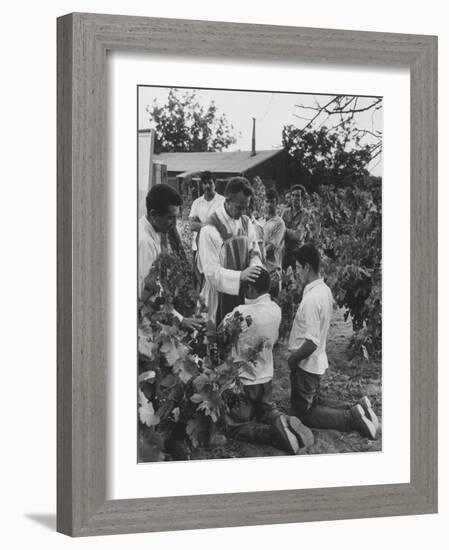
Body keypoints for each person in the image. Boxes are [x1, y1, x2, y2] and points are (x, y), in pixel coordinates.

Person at [287, 244, 379, 439]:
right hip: (316, 361)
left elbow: (311, 342)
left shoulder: (311, 298)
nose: (295, 273)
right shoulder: (324, 290)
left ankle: (351, 419)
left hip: (306, 363)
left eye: (297, 268)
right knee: (316, 400)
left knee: (306, 412)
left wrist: (293, 359)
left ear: (307, 267)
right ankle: (357, 408)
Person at [221, 268, 314, 454]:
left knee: (234, 426)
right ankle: (281, 420)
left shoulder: (240, 313)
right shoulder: (275, 310)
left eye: (245, 288)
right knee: (264, 410)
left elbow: (220, 335)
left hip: (244, 384)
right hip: (266, 382)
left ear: (252, 290)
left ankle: (274, 434)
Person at [198, 176, 263, 324]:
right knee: (218, 338)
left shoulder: (246, 223)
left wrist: (255, 269)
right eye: (240, 207)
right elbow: (211, 273)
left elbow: (254, 252)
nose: (243, 212)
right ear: (227, 200)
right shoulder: (210, 228)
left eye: (246, 207)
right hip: (218, 296)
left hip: (241, 293)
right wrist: (240, 276)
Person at [138, 183, 202, 330]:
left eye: (176, 218)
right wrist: (180, 319)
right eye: (170, 218)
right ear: (154, 214)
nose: (174, 224)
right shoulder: (144, 242)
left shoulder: (151, 230)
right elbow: (145, 294)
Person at [188, 172, 225, 289]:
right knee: (199, 280)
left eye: (210, 183)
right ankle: (200, 304)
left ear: (215, 184)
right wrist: (210, 225)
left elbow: (223, 225)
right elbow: (192, 225)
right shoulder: (197, 203)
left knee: (214, 279)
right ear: (201, 185)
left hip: (216, 247)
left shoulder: (222, 202)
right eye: (204, 183)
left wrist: (201, 224)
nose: (207, 186)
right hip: (198, 246)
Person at [263, 188, 285, 298]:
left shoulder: (279, 223)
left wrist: (258, 252)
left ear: (277, 203)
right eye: (267, 201)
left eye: (272, 202)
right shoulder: (261, 220)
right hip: (261, 269)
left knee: (273, 305)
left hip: (272, 272)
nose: (269, 205)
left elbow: (272, 246)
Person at [281, 184, 305, 269]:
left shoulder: (305, 214)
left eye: (297, 196)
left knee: (297, 279)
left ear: (302, 198)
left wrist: (284, 229)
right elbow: (280, 232)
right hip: (285, 251)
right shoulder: (285, 212)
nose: (294, 198)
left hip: (298, 253)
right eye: (293, 195)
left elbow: (297, 236)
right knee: (282, 279)